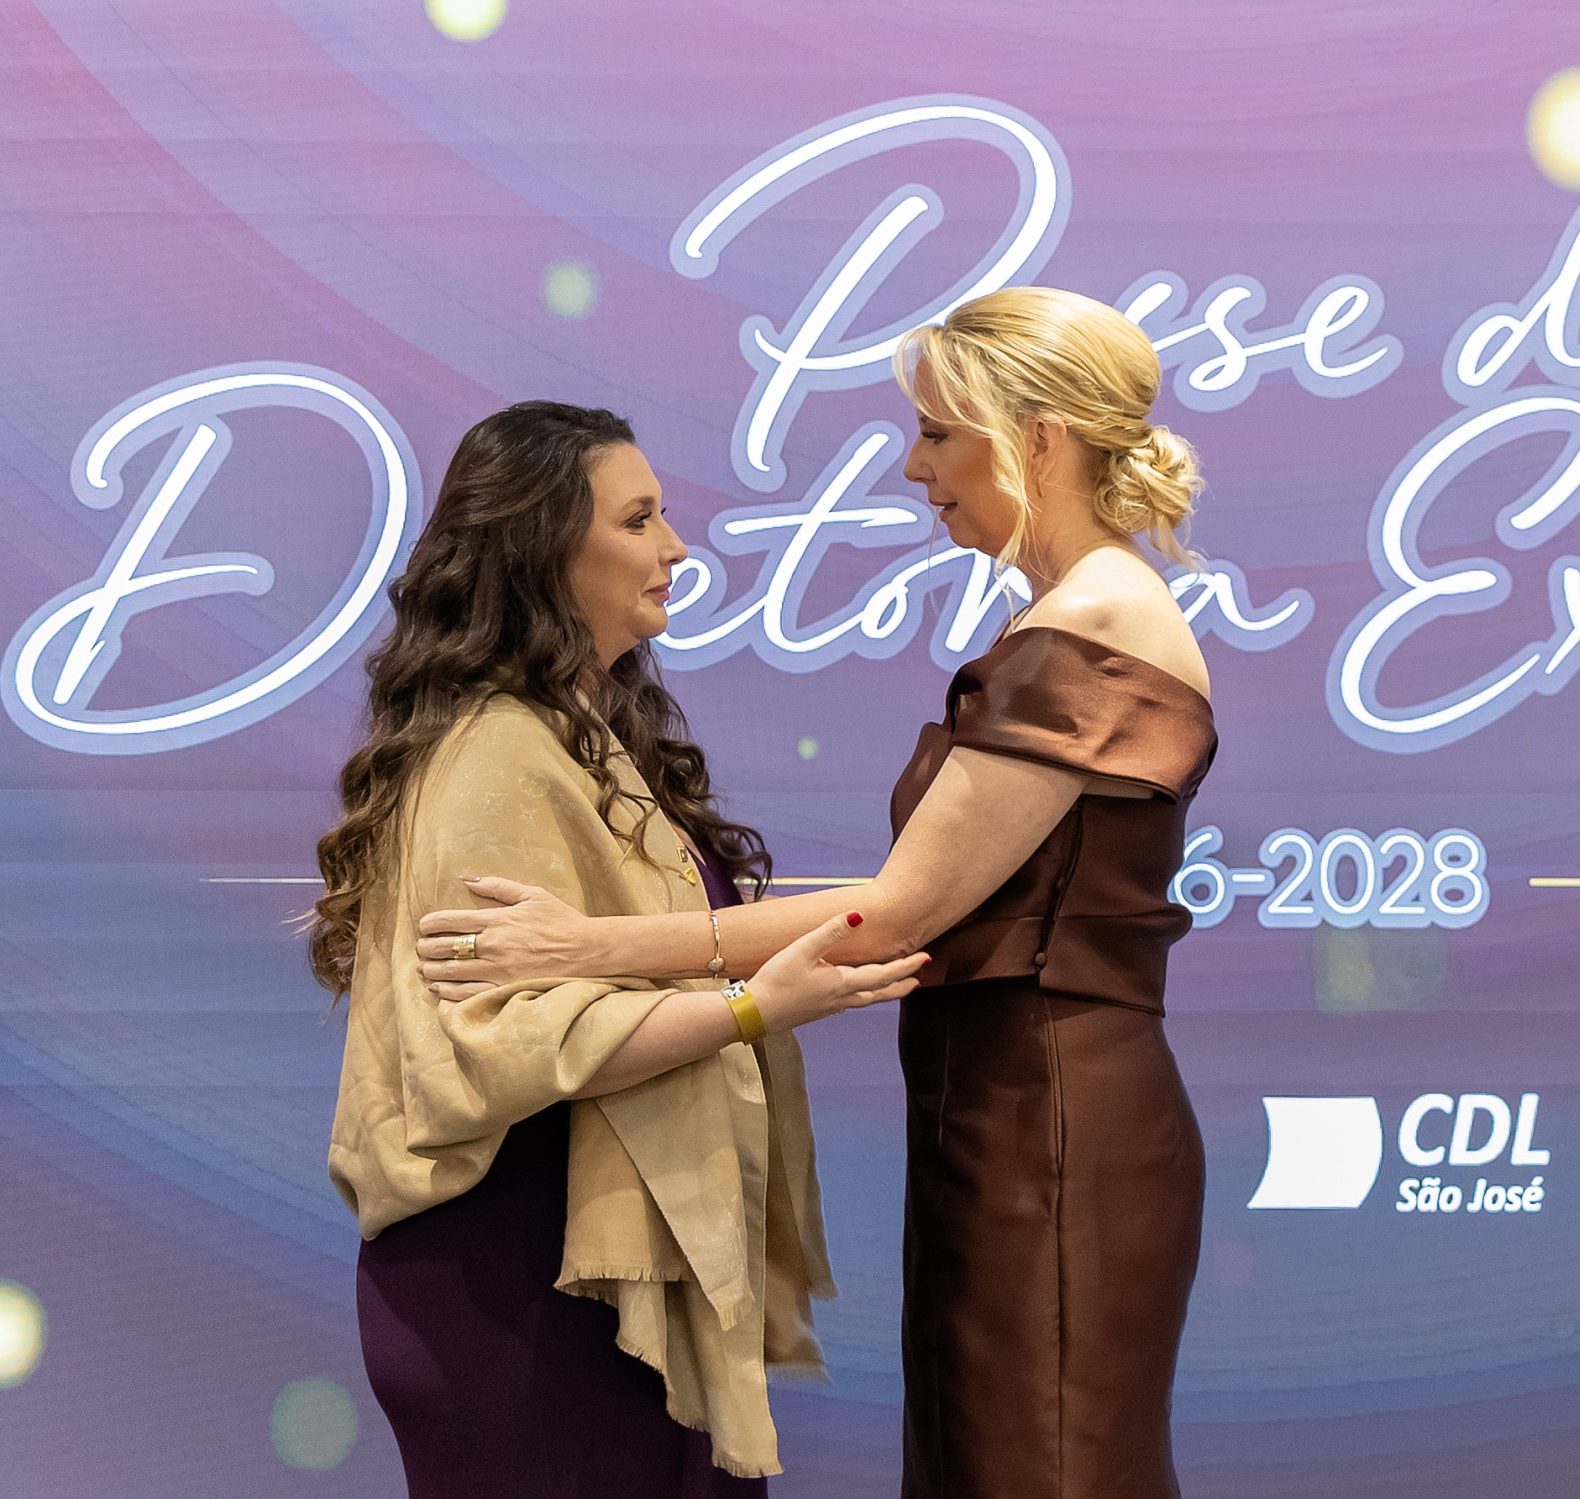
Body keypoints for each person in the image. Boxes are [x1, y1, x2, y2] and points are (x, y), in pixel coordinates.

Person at [415, 288, 1218, 1498]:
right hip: (1005, 1109)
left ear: (1039, 439)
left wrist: (582, 945)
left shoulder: (1094, 624)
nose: (915, 466)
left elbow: (896, 913)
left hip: (1053, 1120)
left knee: (1041, 1466)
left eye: (938, 432)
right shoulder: (1068, 616)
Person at [316, 402, 928, 1496]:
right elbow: (500, 1045)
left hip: (591, 1279)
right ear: (544, 547)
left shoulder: (584, 735)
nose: (676, 547)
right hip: (520, 1285)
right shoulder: (497, 752)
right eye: (638, 520)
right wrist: (753, 1005)